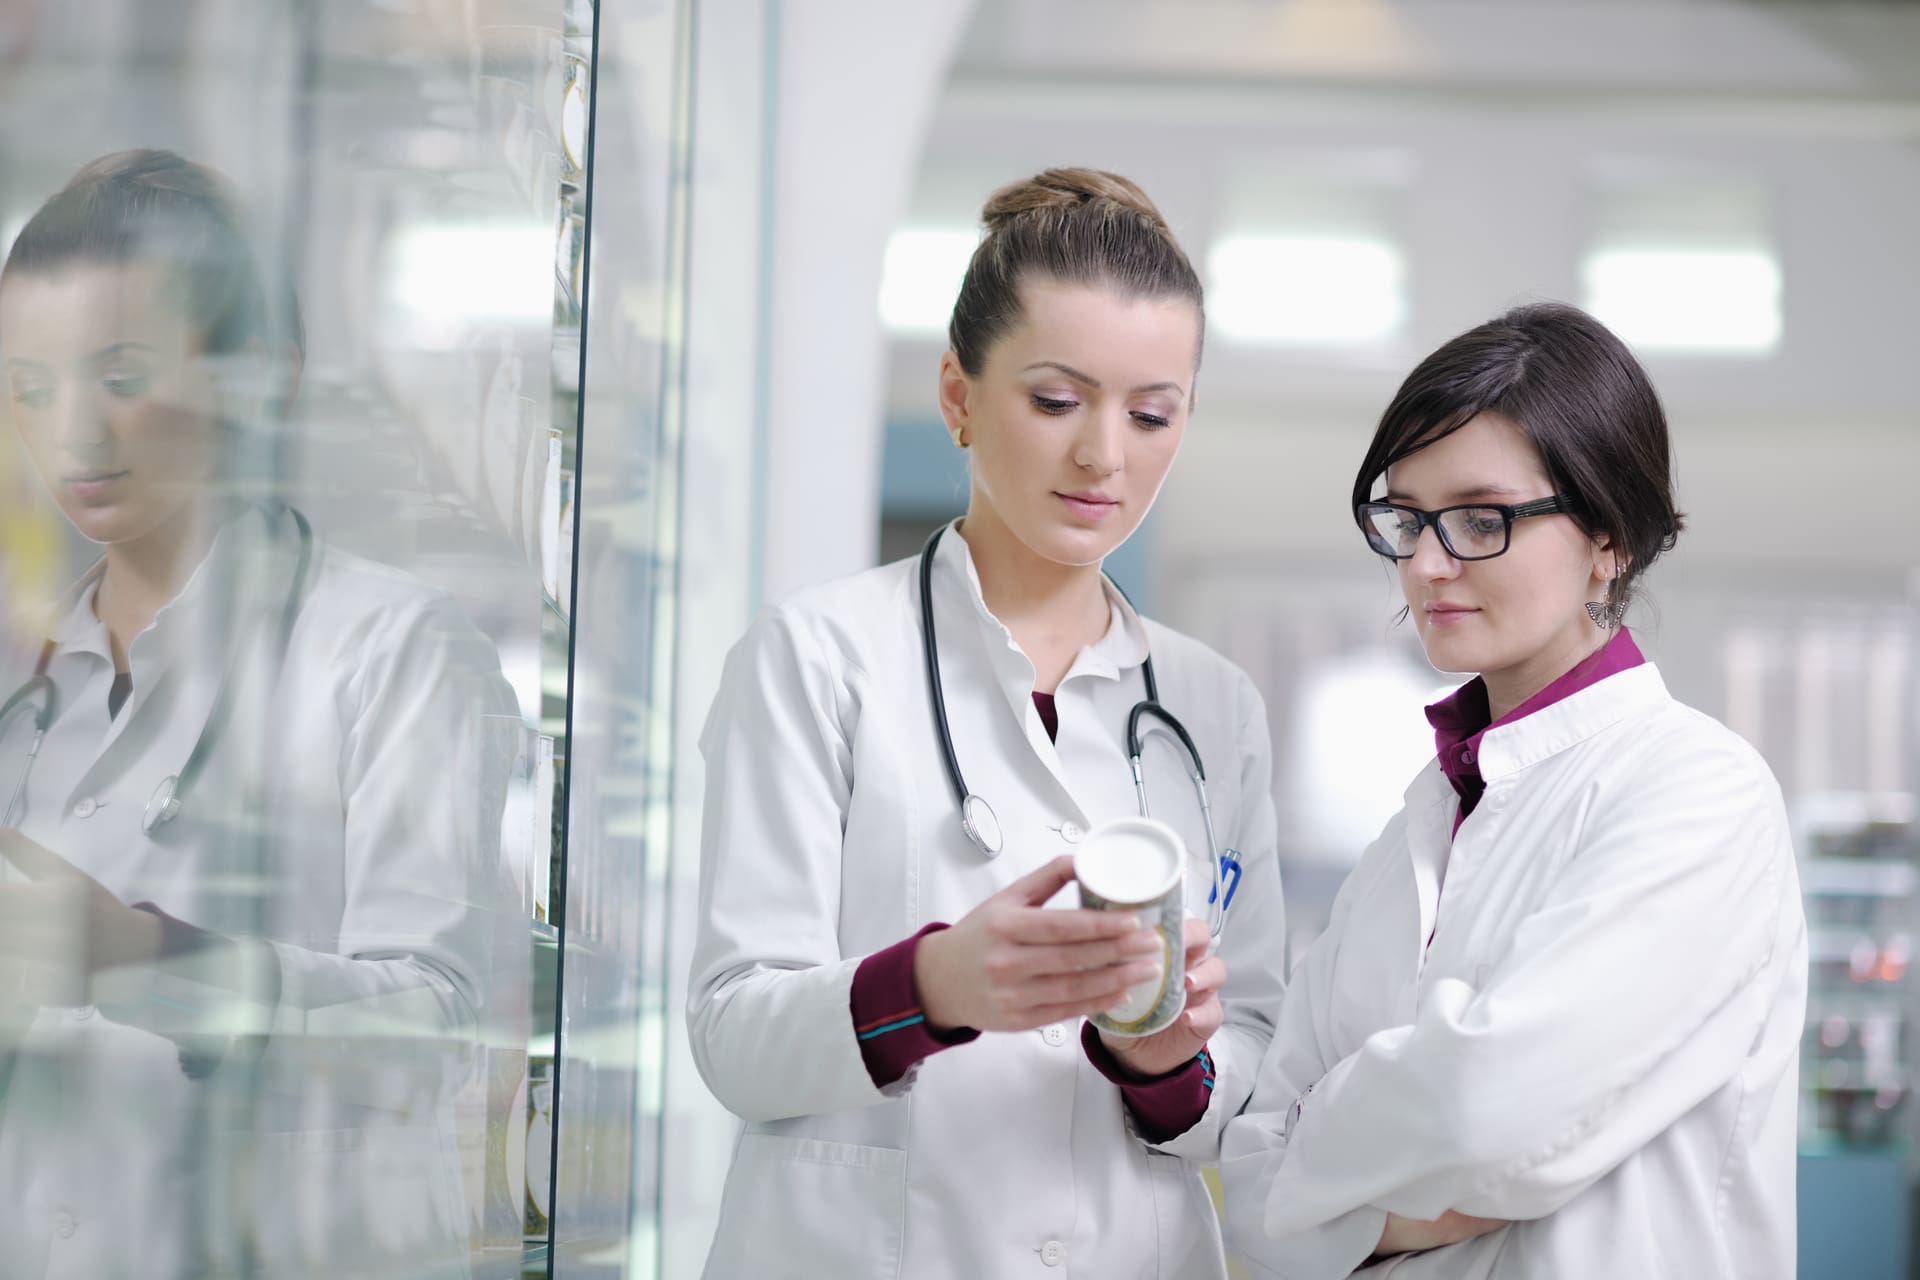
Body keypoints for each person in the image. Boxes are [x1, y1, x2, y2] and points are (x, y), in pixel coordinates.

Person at [687, 168, 1287, 1279]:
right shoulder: (819, 656)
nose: (1105, 453)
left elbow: (1250, 1079)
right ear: (959, 395)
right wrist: (935, 986)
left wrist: (1161, 1059)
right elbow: (733, 1036)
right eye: (1057, 400)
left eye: (1152, 412)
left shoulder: (1213, 708)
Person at [0, 149, 521, 1277]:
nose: (73, 435)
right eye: (31, 387)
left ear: (263, 374)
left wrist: (137, 960)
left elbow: (432, 1030)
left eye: (122, 374)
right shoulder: (24, 696)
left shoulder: (395, 650)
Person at [1219, 302, 1807, 1278]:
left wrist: (1332, 1151)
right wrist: (1393, 1197)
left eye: (1481, 519)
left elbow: (1488, 1109)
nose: (1426, 562)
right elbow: (1246, 1178)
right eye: (1406, 518)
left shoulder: (1699, 792)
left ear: (1608, 537)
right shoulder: (1412, 833)